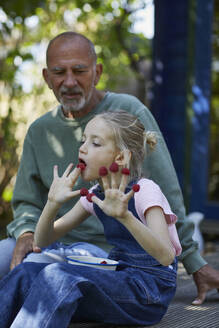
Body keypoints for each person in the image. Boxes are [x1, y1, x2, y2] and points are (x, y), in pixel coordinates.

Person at [0, 31, 218, 305]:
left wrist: (194, 262)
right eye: (59, 72)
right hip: (53, 240)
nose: (69, 82)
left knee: (46, 274)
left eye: (79, 70)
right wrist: (25, 233)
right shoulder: (39, 131)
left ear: (97, 72)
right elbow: (25, 202)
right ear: (46, 77)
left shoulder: (128, 112)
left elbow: (167, 195)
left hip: (109, 254)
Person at [0, 110, 182, 327]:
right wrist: (52, 203)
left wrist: (125, 217)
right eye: (83, 140)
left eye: (95, 143)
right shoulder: (95, 194)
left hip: (149, 292)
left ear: (120, 157)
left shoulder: (144, 191)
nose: (82, 148)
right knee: (26, 272)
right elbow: (42, 241)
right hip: (119, 278)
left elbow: (166, 256)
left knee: (58, 275)